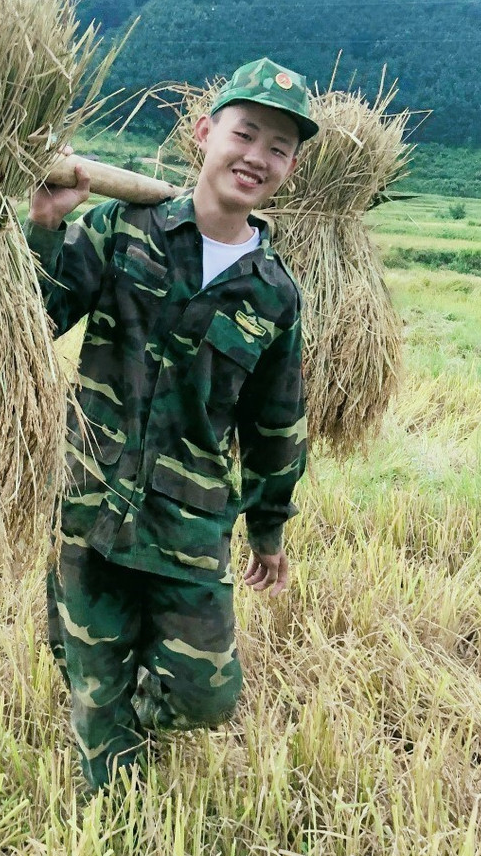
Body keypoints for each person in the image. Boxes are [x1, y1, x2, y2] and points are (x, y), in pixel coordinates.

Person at [25, 57, 320, 793]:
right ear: (204, 134)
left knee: (205, 695)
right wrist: (43, 231)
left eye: (278, 147)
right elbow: (36, 321)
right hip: (90, 501)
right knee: (94, 692)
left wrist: (271, 529)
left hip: (187, 526)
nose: (256, 156)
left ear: (289, 168)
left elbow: (277, 423)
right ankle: (111, 824)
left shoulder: (275, 295)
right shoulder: (122, 230)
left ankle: (128, 711)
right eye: (244, 133)